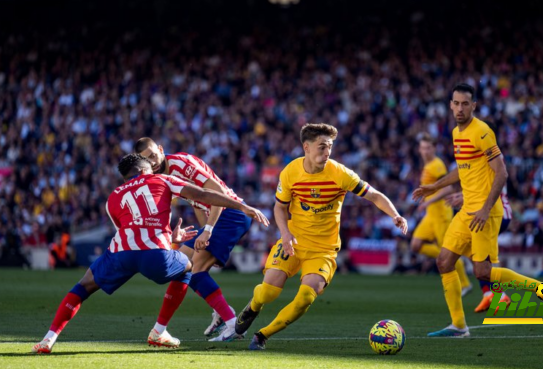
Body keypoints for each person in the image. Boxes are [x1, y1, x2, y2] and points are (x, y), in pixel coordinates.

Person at [32, 154, 269, 354]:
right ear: (145, 169)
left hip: (121, 253)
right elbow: (204, 195)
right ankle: (159, 331)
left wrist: (169, 238)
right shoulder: (163, 179)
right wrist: (242, 206)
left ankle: (48, 340)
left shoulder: (113, 197)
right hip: (155, 255)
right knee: (188, 267)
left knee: (82, 286)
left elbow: (131, 231)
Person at [229, 123, 408, 350]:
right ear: (306, 147)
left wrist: (395, 214)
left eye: (330, 147)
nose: (327, 153)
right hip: (293, 241)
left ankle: (262, 336)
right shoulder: (291, 172)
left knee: (305, 297)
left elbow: (373, 195)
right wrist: (284, 233)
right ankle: (253, 307)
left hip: (323, 250)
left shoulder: (340, 173)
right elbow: (279, 208)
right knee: (268, 292)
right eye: (322, 147)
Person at [413, 84, 543, 338]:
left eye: (465, 104)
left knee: (482, 271)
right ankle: (459, 326)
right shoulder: (456, 133)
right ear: (450, 105)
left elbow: (502, 172)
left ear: (474, 106)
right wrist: (434, 187)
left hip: (485, 212)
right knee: (444, 261)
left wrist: (485, 208)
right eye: (456, 103)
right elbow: (463, 168)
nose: (460, 108)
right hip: (467, 209)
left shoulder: (481, 131)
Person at [135, 137, 263, 341]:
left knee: (196, 272)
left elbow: (217, 194)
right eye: (147, 160)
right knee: (180, 267)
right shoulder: (164, 175)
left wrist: (208, 231)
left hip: (230, 214)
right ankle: (159, 331)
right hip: (219, 217)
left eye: (153, 155)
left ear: (161, 148)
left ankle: (232, 324)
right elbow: (197, 200)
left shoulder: (181, 164)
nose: (153, 162)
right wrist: (206, 232)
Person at [423, 184, 513, 313]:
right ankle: (489, 294)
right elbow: (456, 182)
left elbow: (489, 187)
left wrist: (464, 197)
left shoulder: (488, 164)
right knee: (476, 257)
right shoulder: (471, 166)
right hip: (485, 212)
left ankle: (501, 294)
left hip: (495, 213)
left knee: (480, 260)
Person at [411, 134, 471, 295]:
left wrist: (428, 201)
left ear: (434, 149)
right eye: (423, 148)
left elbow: (448, 188)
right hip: (430, 216)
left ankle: (465, 284)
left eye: (428, 148)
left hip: (441, 215)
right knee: (415, 245)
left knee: (448, 252)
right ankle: (453, 259)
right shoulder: (427, 165)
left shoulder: (437, 165)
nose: (425, 151)